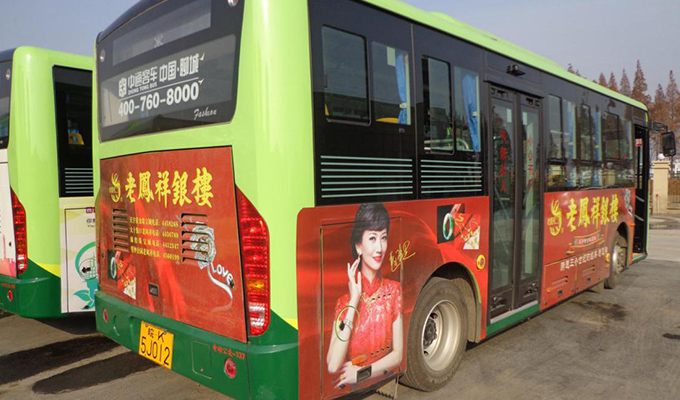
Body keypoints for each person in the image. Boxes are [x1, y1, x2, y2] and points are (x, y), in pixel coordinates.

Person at [326, 203, 403, 389]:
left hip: (380, 385)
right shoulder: (344, 301)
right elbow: (333, 364)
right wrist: (354, 301)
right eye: (372, 238)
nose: (380, 248)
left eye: (383, 238)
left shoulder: (394, 291)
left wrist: (361, 373)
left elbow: (398, 355)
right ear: (359, 246)